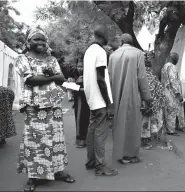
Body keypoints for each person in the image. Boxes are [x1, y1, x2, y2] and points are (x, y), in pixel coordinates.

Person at [15, 26, 75, 192]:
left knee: (56, 139)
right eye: (36, 39)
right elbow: (31, 80)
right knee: (34, 141)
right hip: (34, 107)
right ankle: (33, 177)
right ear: (29, 42)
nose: (40, 42)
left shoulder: (51, 59)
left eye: (42, 39)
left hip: (54, 106)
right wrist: (52, 77)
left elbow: (61, 78)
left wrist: (51, 77)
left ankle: (58, 171)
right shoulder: (23, 59)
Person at [108, 33, 152, 164]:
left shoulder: (113, 55)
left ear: (121, 42)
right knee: (132, 123)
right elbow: (141, 77)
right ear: (132, 42)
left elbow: (109, 78)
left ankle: (120, 153)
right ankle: (130, 155)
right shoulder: (138, 54)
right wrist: (147, 97)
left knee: (118, 122)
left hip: (116, 94)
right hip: (132, 93)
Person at [83, 24, 118, 176]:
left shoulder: (88, 51)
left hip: (91, 98)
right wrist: (109, 103)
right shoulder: (100, 52)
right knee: (100, 133)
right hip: (100, 99)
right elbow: (101, 79)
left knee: (92, 130)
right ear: (104, 37)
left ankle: (91, 161)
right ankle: (100, 166)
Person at [141, 51, 166, 149]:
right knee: (145, 123)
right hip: (149, 102)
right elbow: (155, 89)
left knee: (144, 122)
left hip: (143, 102)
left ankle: (145, 139)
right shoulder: (150, 75)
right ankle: (144, 142)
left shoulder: (141, 75)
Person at [161, 52, 185, 136]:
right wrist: (178, 94)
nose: (177, 60)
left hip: (165, 92)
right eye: (177, 59)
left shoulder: (164, 66)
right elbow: (173, 81)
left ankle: (170, 128)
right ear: (173, 58)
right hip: (172, 94)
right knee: (172, 111)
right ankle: (171, 130)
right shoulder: (171, 67)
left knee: (168, 111)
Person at [73, 57, 90, 148]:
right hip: (79, 101)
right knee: (79, 120)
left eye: (82, 66)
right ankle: (81, 140)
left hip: (86, 101)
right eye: (78, 66)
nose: (80, 68)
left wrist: (80, 87)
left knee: (85, 119)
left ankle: (85, 140)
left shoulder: (88, 75)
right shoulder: (75, 74)